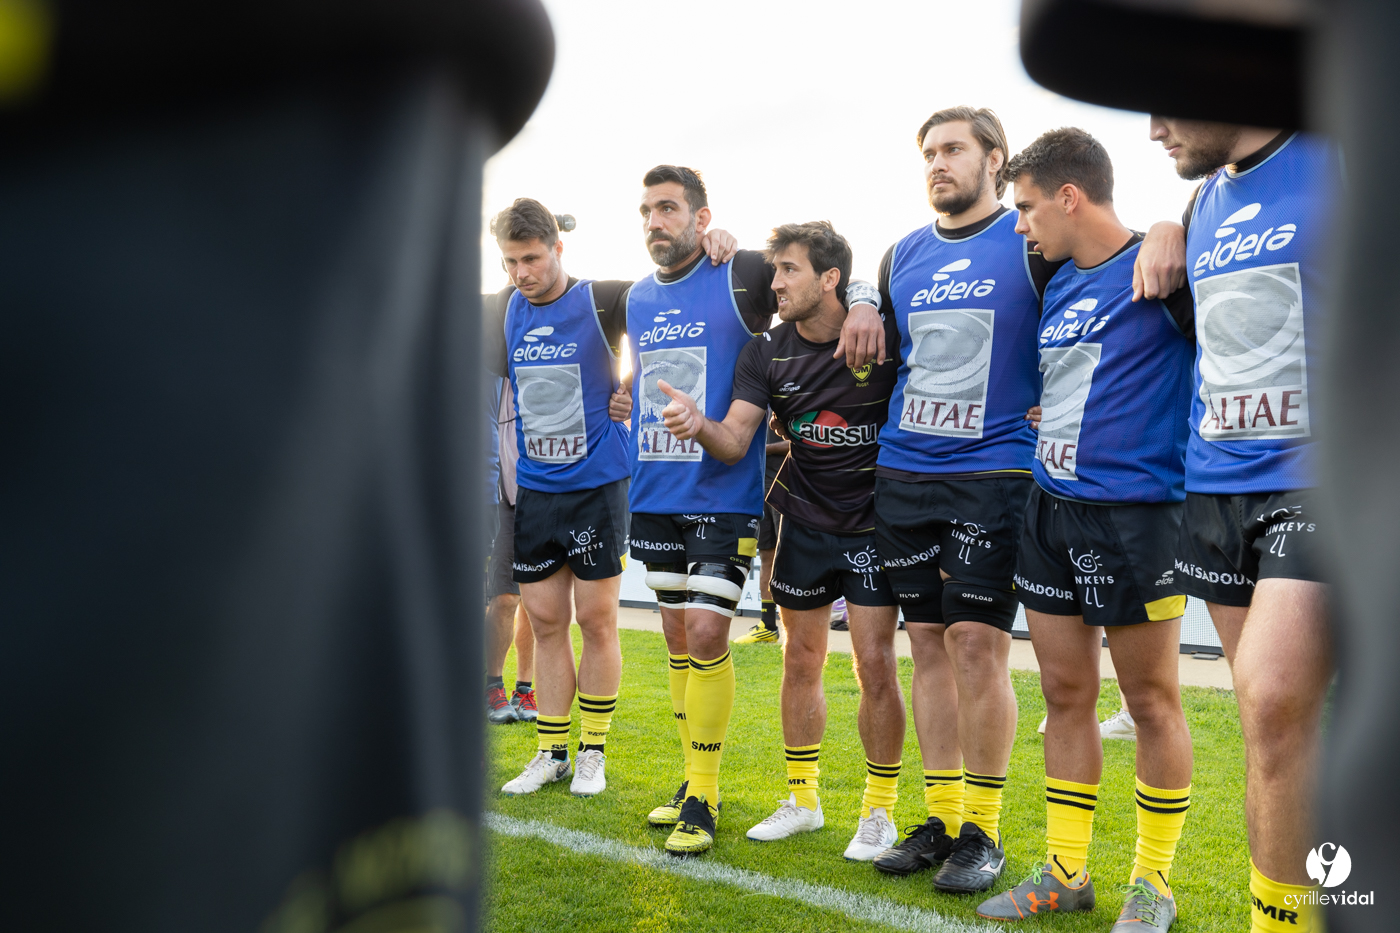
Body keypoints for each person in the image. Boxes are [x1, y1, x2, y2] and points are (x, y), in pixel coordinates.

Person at [625, 166, 885, 856]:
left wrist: (863, 301)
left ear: (702, 217)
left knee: (712, 636)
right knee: (682, 641)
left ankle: (708, 797)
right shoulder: (635, 297)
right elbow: (645, 369)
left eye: (670, 208)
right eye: (648, 209)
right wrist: (632, 396)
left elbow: (847, 265)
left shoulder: (741, 271)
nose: (656, 220)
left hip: (727, 498)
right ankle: (697, 781)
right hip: (655, 492)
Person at [973, 128, 1195, 932]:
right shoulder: (1056, 280)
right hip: (1048, 508)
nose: (1021, 225)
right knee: (1065, 694)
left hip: (1137, 517)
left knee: (1149, 702)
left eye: (1028, 207)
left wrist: (1174, 225)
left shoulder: (1164, 268)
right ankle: (1066, 872)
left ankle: (1153, 882)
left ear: (1071, 196)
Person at [1142, 119, 1337, 933]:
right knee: (1271, 729)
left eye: (1165, 103)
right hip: (1216, 488)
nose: (1153, 128)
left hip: (1321, 479)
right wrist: (1165, 224)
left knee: (1273, 696)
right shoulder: (1199, 203)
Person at [487, 199, 636, 798]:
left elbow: (677, 308)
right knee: (546, 623)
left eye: (531, 257)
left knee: (595, 621)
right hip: (537, 490)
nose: (521, 271)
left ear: (558, 248)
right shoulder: (504, 311)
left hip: (597, 485)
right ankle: (551, 751)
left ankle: (593, 752)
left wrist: (633, 384)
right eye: (509, 261)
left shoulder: (603, 299)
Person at [485, 376, 537, 724]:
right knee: (505, 598)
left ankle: (524, 688)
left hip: (544, 493)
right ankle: (492, 685)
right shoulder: (493, 373)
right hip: (505, 495)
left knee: (538, 601)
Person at [733, 423, 788, 644]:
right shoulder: (754, 404)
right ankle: (768, 625)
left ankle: (794, 627)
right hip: (759, 486)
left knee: (789, 556)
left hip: (787, 486)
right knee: (767, 555)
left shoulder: (792, 398)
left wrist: (763, 448)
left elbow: (804, 443)